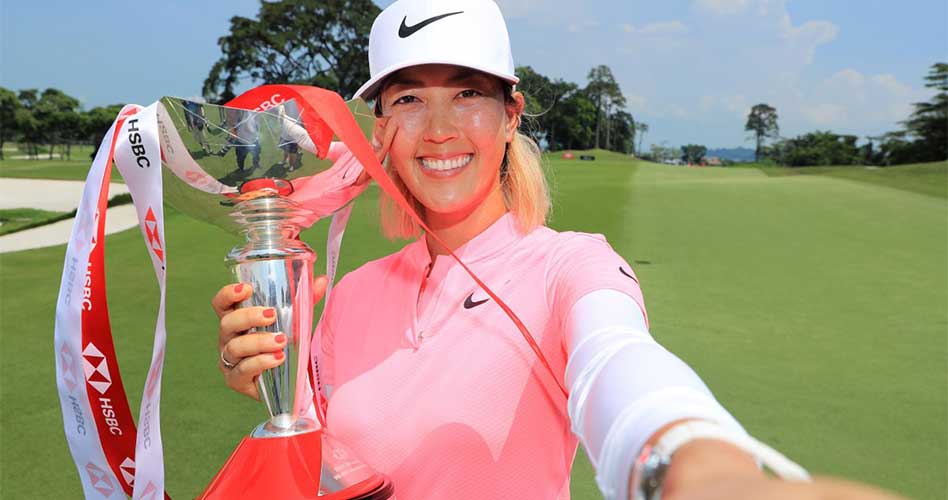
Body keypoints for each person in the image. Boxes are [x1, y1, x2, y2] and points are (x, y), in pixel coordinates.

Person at [211, 1, 903, 499]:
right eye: (411, 100)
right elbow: (333, 465)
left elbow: (619, 359)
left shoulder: (571, 266)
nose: (440, 128)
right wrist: (275, 387)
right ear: (381, 126)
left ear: (511, 116)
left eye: (469, 94)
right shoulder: (351, 291)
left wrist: (697, 467)